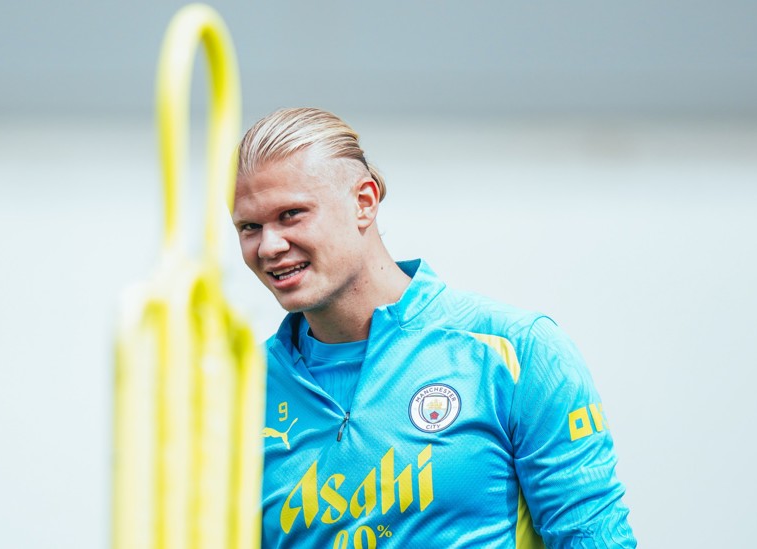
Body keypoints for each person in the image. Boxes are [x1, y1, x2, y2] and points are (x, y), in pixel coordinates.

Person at [231, 107, 636, 548]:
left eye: (291, 215)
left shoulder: (516, 351)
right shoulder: (233, 391)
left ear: (363, 202)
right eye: (250, 227)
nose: (269, 246)